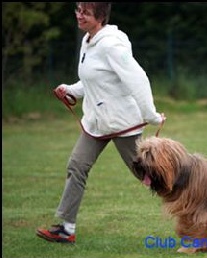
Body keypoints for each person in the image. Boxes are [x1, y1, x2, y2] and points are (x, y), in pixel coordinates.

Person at [36, 2, 165, 244]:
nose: (79, 15)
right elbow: (93, 80)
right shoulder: (88, 41)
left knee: (149, 175)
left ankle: (196, 205)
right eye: (78, 10)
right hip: (96, 124)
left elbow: (138, 79)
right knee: (77, 165)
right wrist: (70, 89)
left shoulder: (111, 45)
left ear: (101, 17)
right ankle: (66, 228)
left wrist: (151, 115)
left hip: (123, 122)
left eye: (86, 12)